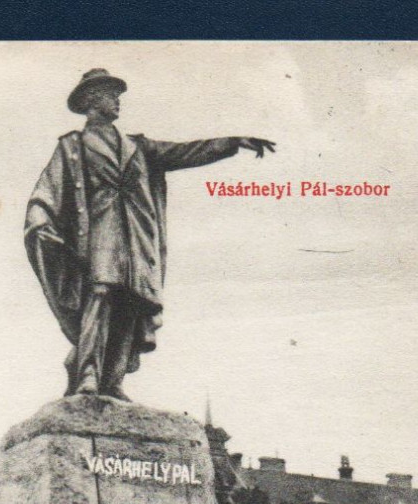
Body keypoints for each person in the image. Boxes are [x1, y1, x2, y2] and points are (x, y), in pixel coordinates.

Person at [25, 68, 275, 399]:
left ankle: (113, 380)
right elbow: (46, 192)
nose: (117, 101)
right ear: (89, 101)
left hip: (138, 240)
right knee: (100, 295)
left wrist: (231, 143)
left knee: (132, 303)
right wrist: (40, 222)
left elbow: (184, 153)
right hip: (100, 236)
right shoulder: (72, 146)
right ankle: (87, 373)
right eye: (109, 94)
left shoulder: (137, 146)